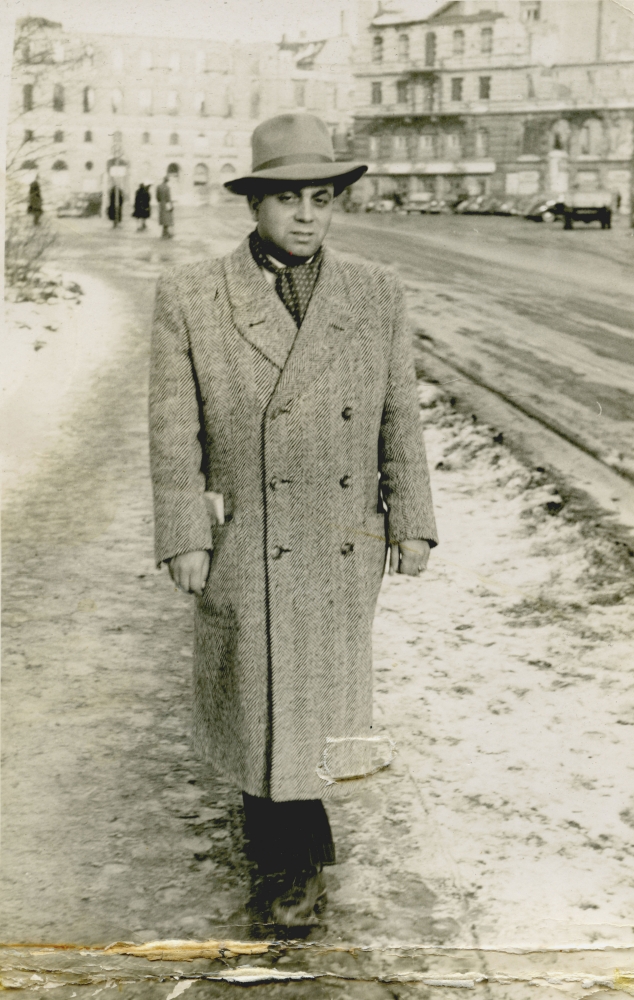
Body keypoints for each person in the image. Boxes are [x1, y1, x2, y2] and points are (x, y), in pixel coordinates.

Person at [149, 113, 438, 929]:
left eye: (322, 197)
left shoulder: (376, 293)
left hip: (341, 535)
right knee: (256, 702)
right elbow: (175, 428)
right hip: (246, 532)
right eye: (287, 199)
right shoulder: (192, 297)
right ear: (255, 206)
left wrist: (412, 517)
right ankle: (289, 864)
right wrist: (183, 532)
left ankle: (292, 862)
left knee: (314, 706)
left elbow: (398, 418)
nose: (307, 215)